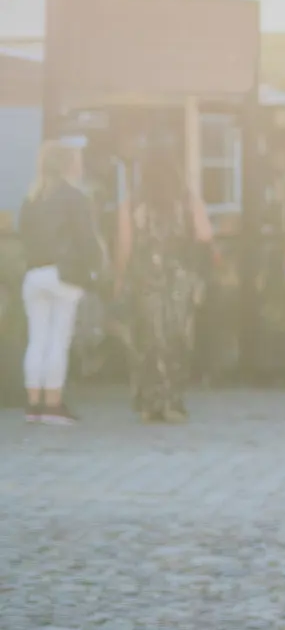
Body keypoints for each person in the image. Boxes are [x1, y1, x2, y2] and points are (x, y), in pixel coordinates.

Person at [118, 139, 217, 423]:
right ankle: (173, 401)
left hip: (144, 280)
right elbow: (205, 235)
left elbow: (124, 245)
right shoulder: (188, 200)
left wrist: (119, 278)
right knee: (177, 339)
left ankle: (150, 403)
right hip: (180, 279)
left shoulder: (132, 202)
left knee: (146, 340)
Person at [18, 138, 104, 424]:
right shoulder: (75, 197)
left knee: (37, 339)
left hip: (33, 275)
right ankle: (53, 404)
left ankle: (33, 405)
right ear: (68, 164)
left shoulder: (31, 198)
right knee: (59, 339)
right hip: (64, 274)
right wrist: (94, 268)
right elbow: (85, 239)